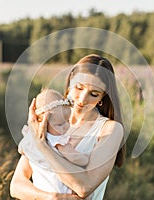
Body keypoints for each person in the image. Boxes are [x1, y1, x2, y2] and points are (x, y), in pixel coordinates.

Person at [10, 54, 125, 200]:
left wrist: (42, 146)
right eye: (79, 87)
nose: (82, 99)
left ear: (103, 97)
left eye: (94, 94)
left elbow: (84, 188)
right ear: (71, 79)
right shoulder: (49, 117)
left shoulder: (110, 130)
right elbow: (16, 186)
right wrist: (53, 198)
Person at [18, 88, 91, 195]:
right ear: (43, 121)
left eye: (67, 121)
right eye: (60, 124)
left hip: (42, 189)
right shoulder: (58, 140)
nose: (66, 126)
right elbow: (75, 157)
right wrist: (86, 159)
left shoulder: (31, 138)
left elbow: (21, 148)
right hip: (60, 190)